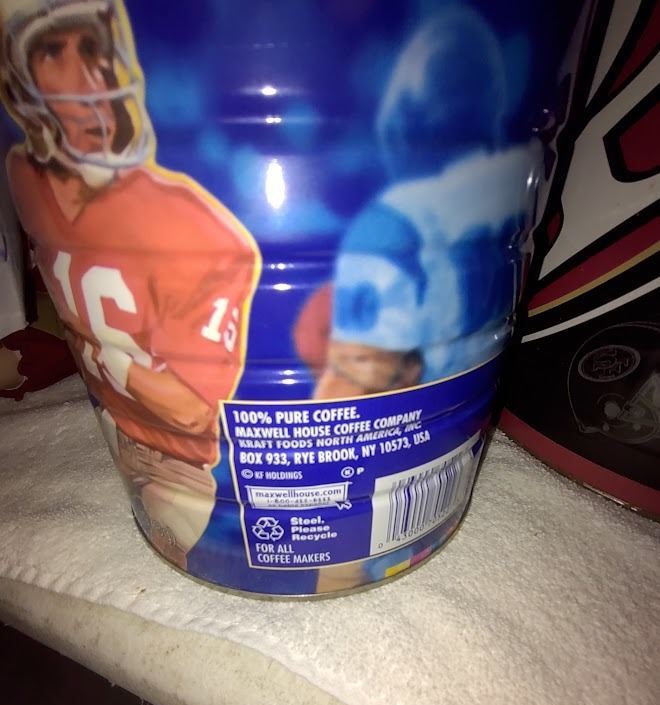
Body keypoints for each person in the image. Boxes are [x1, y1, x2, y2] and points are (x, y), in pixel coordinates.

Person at [0, 0, 261, 569]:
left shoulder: (191, 224)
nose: (84, 76)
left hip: (176, 462)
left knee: (188, 551)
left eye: (94, 53)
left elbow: (191, 410)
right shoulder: (25, 173)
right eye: (55, 52)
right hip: (117, 425)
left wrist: (108, 358)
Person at [310, 6, 537, 591]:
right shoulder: (514, 179)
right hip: (441, 451)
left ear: (404, 115)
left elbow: (356, 386)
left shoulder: (394, 225)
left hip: (383, 494)